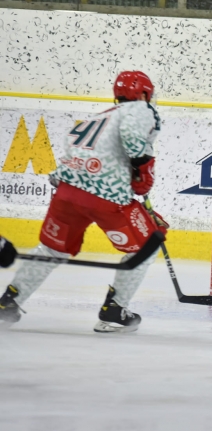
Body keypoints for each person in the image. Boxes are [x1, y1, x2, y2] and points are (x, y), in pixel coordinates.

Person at [0, 71, 167, 333]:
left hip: (66, 192)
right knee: (147, 245)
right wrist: (143, 170)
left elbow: (75, 147)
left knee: (51, 250)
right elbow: (133, 141)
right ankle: (115, 311)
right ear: (143, 94)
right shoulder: (140, 109)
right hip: (105, 196)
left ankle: (9, 303)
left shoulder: (98, 117)